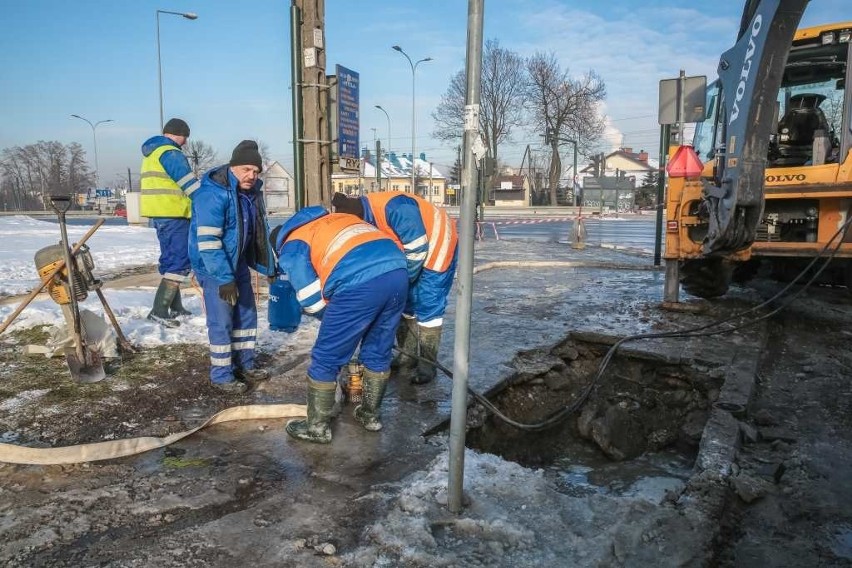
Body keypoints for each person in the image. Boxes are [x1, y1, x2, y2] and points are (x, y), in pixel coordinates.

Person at [271, 205, 408, 443]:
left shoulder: (292, 243)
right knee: (378, 349)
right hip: (397, 271)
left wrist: (342, 327)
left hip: (359, 282)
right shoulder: (334, 220)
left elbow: (312, 300)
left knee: (326, 356)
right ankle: (370, 414)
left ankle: (317, 428)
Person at [331, 191, 458, 385]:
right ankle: (407, 356)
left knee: (428, 305)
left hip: (437, 243)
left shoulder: (395, 207)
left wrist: (403, 281)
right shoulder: (365, 218)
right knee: (404, 302)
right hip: (408, 250)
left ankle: (427, 366)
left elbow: (417, 249)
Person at [189, 140, 276, 394]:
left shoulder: (251, 193)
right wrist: (224, 278)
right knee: (222, 321)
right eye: (247, 169)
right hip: (214, 268)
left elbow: (258, 232)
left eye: (256, 171)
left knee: (247, 315)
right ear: (234, 166)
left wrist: (268, 266)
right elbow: (208, 242)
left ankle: (245, 364)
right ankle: (222, 375)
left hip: (236, 264)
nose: (252, 175)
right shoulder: (213, 194)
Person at [140, 117, 200, 327]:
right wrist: (207, 201)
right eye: (185, 137)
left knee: (170, 260)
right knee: (180, 261)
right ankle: (159, 310)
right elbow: (190, 185)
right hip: (174, 213)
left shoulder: (153, 152)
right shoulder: (170, 153)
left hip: (160, 214)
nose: (185, 142)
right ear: (178, 134)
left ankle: (175, 307)